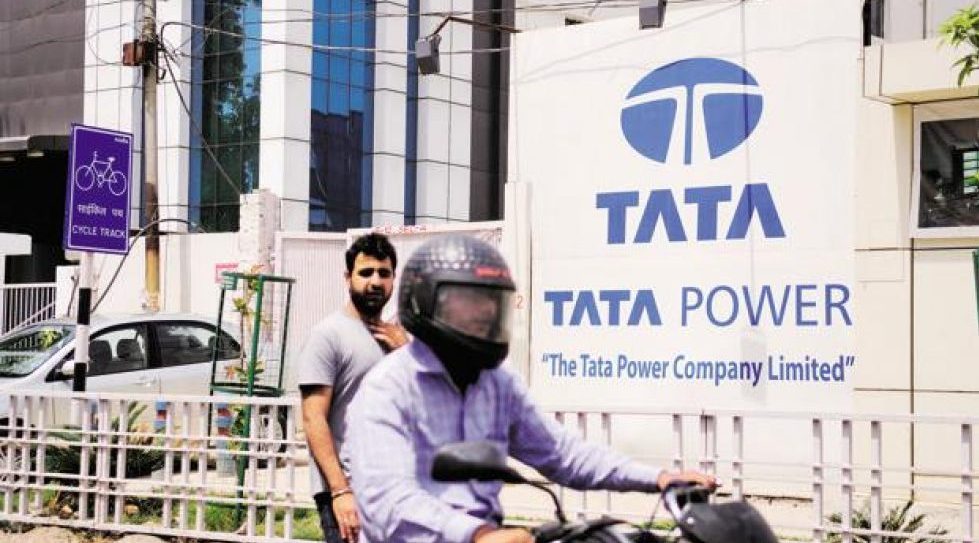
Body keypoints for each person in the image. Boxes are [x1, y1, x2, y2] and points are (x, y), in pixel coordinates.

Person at [347, 235, 717, 543]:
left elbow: (562, 453)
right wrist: (476, 535)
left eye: (492, 302)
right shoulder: (388, 389)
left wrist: (659, 478)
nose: (485, 313)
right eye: (470, 302)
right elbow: (387, 501)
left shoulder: (497, 381)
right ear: (426, 301)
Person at [298, 232, 409, 543]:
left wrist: (408, 353)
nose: (375, 281)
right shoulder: (328, 336)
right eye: (366, 272)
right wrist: (340, 491)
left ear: (394, 279)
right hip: (349, 494)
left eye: (384, 273)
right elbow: (313, 418)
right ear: (348, 278)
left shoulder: (395, 339)